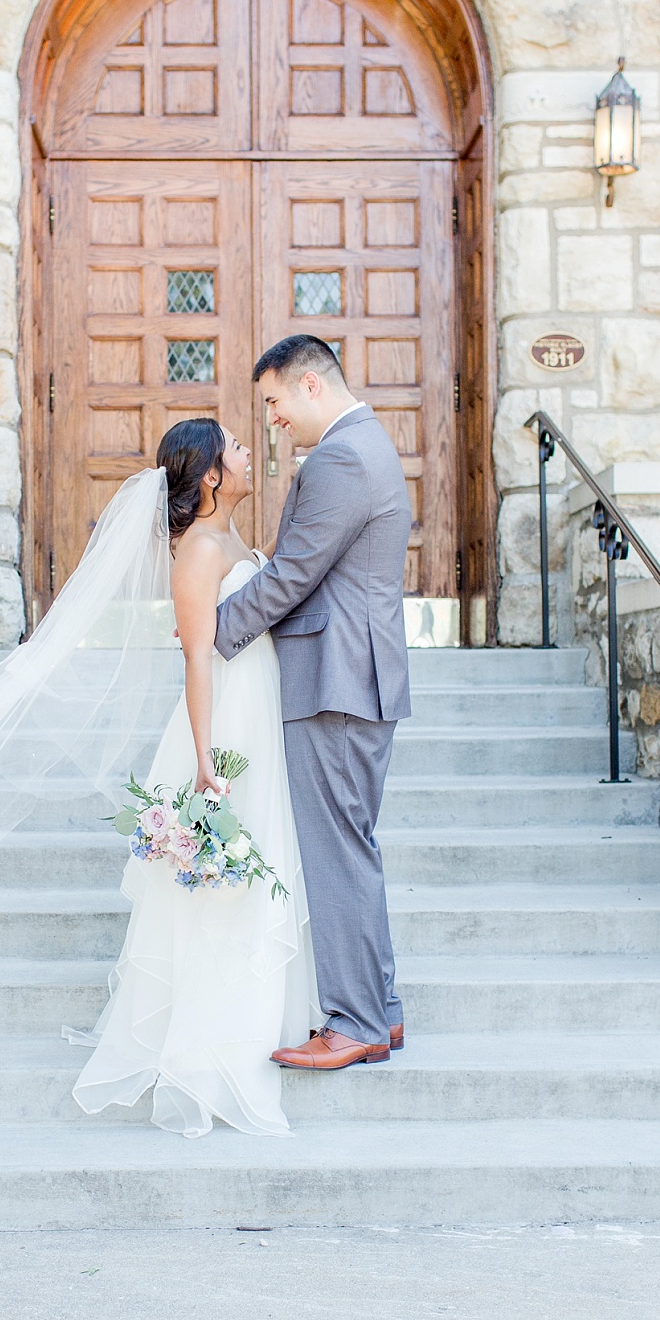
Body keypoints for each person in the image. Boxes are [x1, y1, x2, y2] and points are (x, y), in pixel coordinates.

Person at [66, 418, 323, 1137]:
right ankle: (211, 1053)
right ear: (211, 474)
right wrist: (206, 760)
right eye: (236, 448)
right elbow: (197, 658)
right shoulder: (198, 552)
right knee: (224, 888)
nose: (246, 453)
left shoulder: (234, 539)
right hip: (225, 725)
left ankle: (257, 1021)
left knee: (260, 869)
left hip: (259, 711)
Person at [216, 335, 413, 1071]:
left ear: (308, 385)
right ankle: (380, 1009)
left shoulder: (340, 456)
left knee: (336, 851)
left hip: (337, 676)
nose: (270, 419)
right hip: (351, 673)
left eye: (272, 402)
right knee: (350, 846)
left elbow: (297, 572)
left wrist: (217, 628)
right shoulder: (359, 445)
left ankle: (356, 1019)